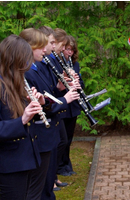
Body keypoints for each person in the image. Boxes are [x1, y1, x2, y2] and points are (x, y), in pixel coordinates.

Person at [20, 28, 79, 200]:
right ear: (29, 47)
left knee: (46, 182)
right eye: (43, 45)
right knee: (39, 187)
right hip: (40, 133)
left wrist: (59, 89)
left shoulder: (37, 67)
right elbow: (41, 106)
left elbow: (46, 95)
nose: (46, 50)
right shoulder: (28, 71)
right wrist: (65, 99)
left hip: (48, 131)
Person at [0, 35, 43, 199]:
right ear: (13, 60)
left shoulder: (14, 82)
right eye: (25, 61)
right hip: (9, 165)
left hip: (24, 160)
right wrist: (23, 119)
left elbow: (15, 113)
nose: (29, 66)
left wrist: (32, 103)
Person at [57, 35, 85, 176]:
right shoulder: (56, 65)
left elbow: (82, 86)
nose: (69, 52)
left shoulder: (75, 65)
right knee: (62, 139)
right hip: (62, 105)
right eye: (67, 49)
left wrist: (77, 79)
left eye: (72, 50)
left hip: (73, 106)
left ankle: (67, 164)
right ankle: (60, 166)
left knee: (68, 138)